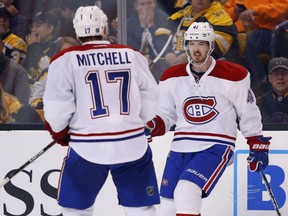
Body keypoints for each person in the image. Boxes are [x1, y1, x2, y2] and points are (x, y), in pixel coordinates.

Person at [43, 5, 160, 216]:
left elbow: (57, 108)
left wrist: (60, 133)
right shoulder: (131, 55)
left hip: (87, 147)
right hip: (131, 144)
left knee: (75, 209)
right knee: (141, 208)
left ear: (77, 31)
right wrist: (139, 124)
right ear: (105, 29)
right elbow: (152, 100)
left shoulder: (65, 60)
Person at [146, 22, 271, 216]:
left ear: (211, 46)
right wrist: (152, 125)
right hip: (181, 146)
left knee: (186, 191)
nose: (196, 49)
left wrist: (256, 142)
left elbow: (247, 111)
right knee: (167, 205)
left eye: (202, 44)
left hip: (216, 145)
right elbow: (166, 115)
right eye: (192, 44)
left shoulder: (233, 75)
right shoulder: (171, 77)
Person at [224, 0, 288, 96]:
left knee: (253, 39)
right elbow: (225, 12)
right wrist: (234, 11)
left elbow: (283, 7)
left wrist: (256, 11)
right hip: (237, 32)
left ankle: (260, 83)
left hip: (268, 31)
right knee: (225, 44)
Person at [24, 9, 80, 112]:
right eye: (32, 26)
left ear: (50, 28)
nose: (33, 30)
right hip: (32, 99)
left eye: (38, 26)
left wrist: (34, 49)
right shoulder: (32, 46)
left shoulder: (61, 46)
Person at [160, 0, 238, 66]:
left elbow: (216, 46)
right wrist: (168, 52)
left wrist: (190, 55)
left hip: (210, 70)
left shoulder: (221, 17)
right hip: (175, 66)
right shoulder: (180, 15)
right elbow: (160, 34)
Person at [127, 0, 172, 82]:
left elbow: (163, 50)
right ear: (136, 6)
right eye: (142, 4)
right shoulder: (129, 23)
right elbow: (132, 50)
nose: (146, 7)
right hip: (137, 68)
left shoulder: (165, 20)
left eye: (149, 3)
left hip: (158, 68)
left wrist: (151, 26)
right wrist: (141, 27)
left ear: (155, 3)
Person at [257, 57, 288, 124]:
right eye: (276, 73)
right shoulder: (260, 102)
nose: (280, 77)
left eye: (284, 73)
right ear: (269, 78)